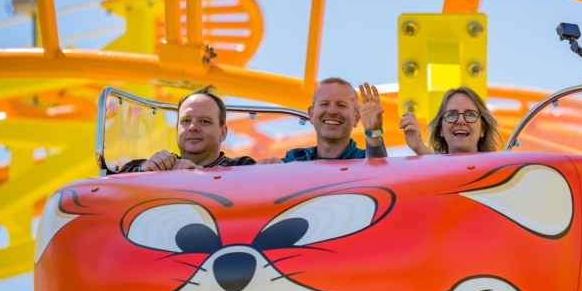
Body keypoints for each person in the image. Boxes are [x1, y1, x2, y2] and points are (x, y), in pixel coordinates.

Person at [114, 86, 256, 173]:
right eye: (186, 121)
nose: (193, 127)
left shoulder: (242, 167)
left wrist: (201, 175)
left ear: (223, 133)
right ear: (177, 130)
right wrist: (143, 170)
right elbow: (114, 187)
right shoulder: (154, 168)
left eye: (204, 121)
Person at [257, 78, 387, 163]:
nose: (332, 111)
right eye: (324, 104)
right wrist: (260, 167)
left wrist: (374, 132)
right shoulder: (295, 160)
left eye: (341, 105)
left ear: (356, 118)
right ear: (311, 114)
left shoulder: (363, 162)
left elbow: (378, 173)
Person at [399, 86, 502, 155]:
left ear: (483, 129)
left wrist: (421, 149)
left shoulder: (503, 173)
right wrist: (419, 147)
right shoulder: (424, 176)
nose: (461, 120)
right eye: (452, 114)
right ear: (441, 130)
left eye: (470, 114)